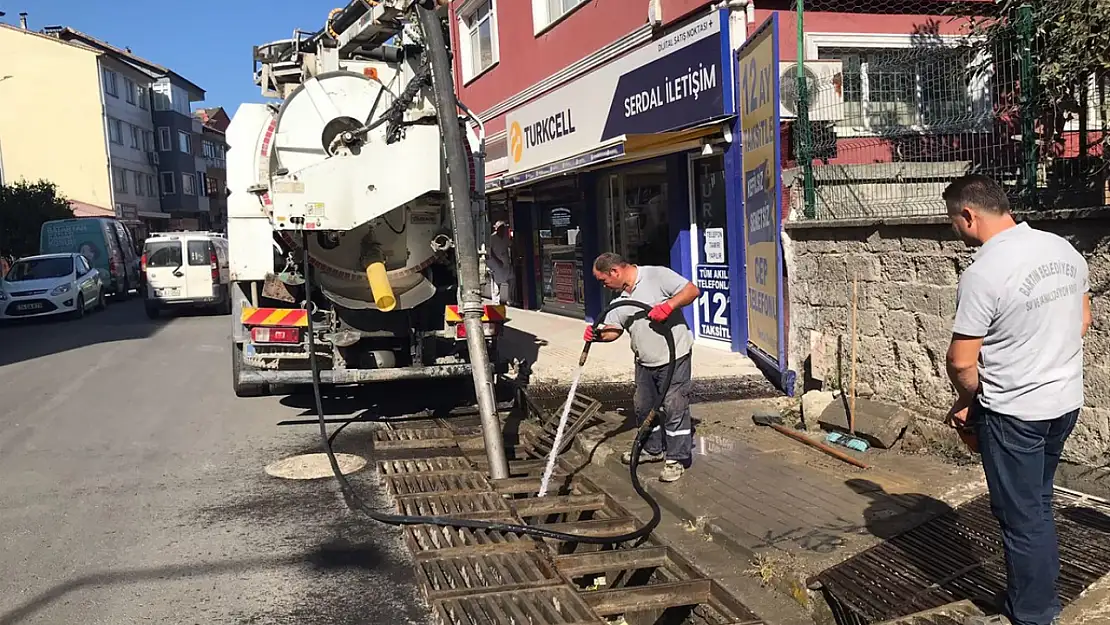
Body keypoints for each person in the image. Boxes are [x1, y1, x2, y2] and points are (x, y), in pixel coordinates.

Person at [943, 174, 1091, 625]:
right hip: (1064, 402)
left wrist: (969, 399)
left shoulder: (983, 272)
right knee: (1039, 504)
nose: (955, 230)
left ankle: (1032, 614)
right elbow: (1082, 320)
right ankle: (1036, 597)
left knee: (1021, 518)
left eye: (954, 221)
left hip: (1016, 415)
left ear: (969, 215)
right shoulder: (1062, 249)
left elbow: (960, 362)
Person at [585, 252, 700, 483]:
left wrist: (668, 306)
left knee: (674, 405)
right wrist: (597, 335)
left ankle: (676, 459)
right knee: (643, 406)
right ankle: (652, 449)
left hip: (674, 355)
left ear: (614, 272)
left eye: (603, 280)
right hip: (645, 361)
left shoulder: (657, 275)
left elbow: (692, 291)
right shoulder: (619, 301)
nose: (604, 285)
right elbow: (614, 330)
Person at [488, 220, 514, 306]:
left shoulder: (506, 237)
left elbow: (509, 246)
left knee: (511, 279)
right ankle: (496, 301)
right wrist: (497, 260)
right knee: (496, 282)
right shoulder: (492, 238)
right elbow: (490, 251)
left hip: (506, 262)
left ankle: (510, 299)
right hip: (496, 263)